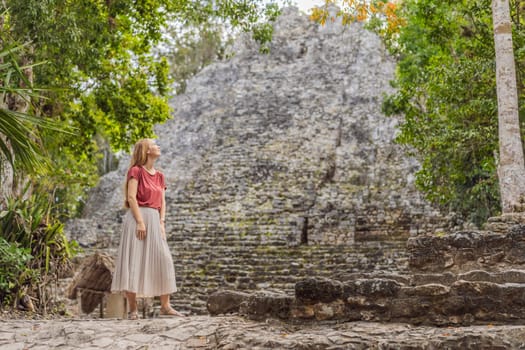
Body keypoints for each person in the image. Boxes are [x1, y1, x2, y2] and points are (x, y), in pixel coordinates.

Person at [111, 138, 182, 319]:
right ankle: (133, 309)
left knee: (164, 259)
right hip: (137, 218)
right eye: (154, 144)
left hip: (155, 218)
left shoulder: (160, 176)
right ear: (146, 151)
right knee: (134, 261)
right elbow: (131, 197)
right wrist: (140, 221)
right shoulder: (135, 171)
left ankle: (165, 306)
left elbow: (163, 201)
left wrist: (161, 222)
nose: (158, 146)